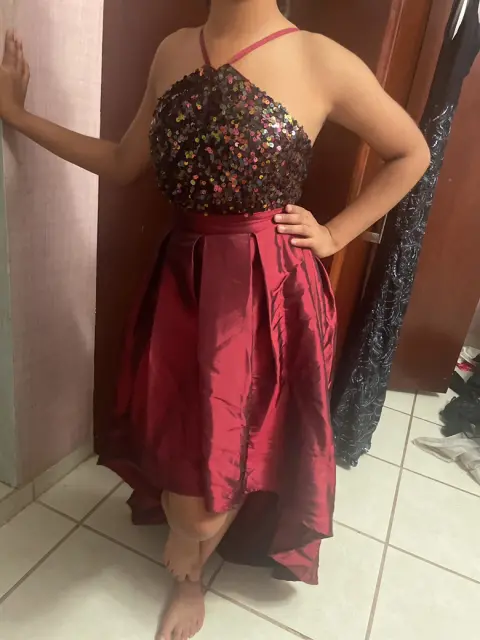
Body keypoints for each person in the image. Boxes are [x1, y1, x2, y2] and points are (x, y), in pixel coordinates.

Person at [0, 1, 430, 638]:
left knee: (229, 459)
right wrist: (17, 116)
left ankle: (193, 557)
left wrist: (337, 234)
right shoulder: (174, 49)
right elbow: (123, 163)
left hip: (267, 292)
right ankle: (190, 563)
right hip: (183, 282)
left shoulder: (320, 59)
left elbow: (411, 153)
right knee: (186, 437)